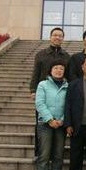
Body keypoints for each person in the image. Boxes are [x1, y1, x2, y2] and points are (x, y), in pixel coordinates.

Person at [30, 27, 70, 157]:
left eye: (60, 36)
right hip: (44, 92)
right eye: (55, 35)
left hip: (60, 92)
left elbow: (68, 75)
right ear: (50, 37)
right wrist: (33, 89)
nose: (57, 37)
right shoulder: (41, 54)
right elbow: (35, 73)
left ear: (63, 38)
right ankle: (39, 152)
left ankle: (55, 152)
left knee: (59, 127)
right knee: (41, 123)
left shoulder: (66, 56)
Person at [35, 59, 68, 170]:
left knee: (58, 157)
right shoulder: (43, 84)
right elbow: (40, 103)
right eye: (56, 68)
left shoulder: (68, 86)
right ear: (50, 70)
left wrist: (62, 120)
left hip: (61, 126)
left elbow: (70, 106)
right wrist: (50, 119)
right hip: (45, 124)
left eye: (61, 68)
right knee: (44, 156)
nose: (59, 70)